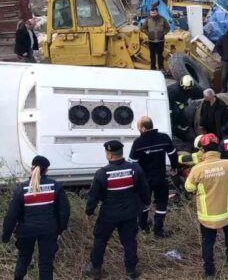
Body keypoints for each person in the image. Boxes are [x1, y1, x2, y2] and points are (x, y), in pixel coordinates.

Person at [84, 141, 150, 280]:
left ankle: (95, 269)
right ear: (121, 153)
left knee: (100, 240)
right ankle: (131, 271)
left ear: (109, 154)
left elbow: (93, 196)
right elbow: (144, 189)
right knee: (129, 241)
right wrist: (145, 203)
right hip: (129, 213)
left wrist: (89, 212)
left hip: (108, 214)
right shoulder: (135, 169)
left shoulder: (102, 173)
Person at [2, 155, 70, 280]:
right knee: (46, 263)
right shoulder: (55, 186)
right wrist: (59, 229)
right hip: (49, 230)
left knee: (23, 258)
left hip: (26, 231)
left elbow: (12, 215)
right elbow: (64, 212)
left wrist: (6, 235)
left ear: (31, 169)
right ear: (46, 170)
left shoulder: (22, 188)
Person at [184, 134, 228, 278]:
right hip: (227, 211)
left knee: (207, 242)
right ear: (217, 148)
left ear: (202, 150)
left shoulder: (197, 169)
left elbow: (189, 187)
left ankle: (209, 272)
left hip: (207, 215)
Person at [129, 116, 177, 238]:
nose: (137, 129)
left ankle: (143, 226)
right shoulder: (164, 138)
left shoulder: (138, 142)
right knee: (161, 203)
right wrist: (174, 167)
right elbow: (172, 153)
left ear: (144, 128)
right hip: (161, 177)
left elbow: (132, 163)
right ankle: (158, 230)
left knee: (144, 203)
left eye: (138, 127)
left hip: (145, 180)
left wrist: (135, 179)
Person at [140, 5, 170, 71]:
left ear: (157, 12)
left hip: (160, 41)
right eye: (151, 13)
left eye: (154, 13)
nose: (152, 15)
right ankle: (153, 67)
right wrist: (148, 33)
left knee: (160, 55)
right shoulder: (148, 19)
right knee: (152, 55)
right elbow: (143, 28)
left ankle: (161, 68)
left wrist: (163, 33)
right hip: (151, 41)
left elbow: (168, 28)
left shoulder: (163, 19)